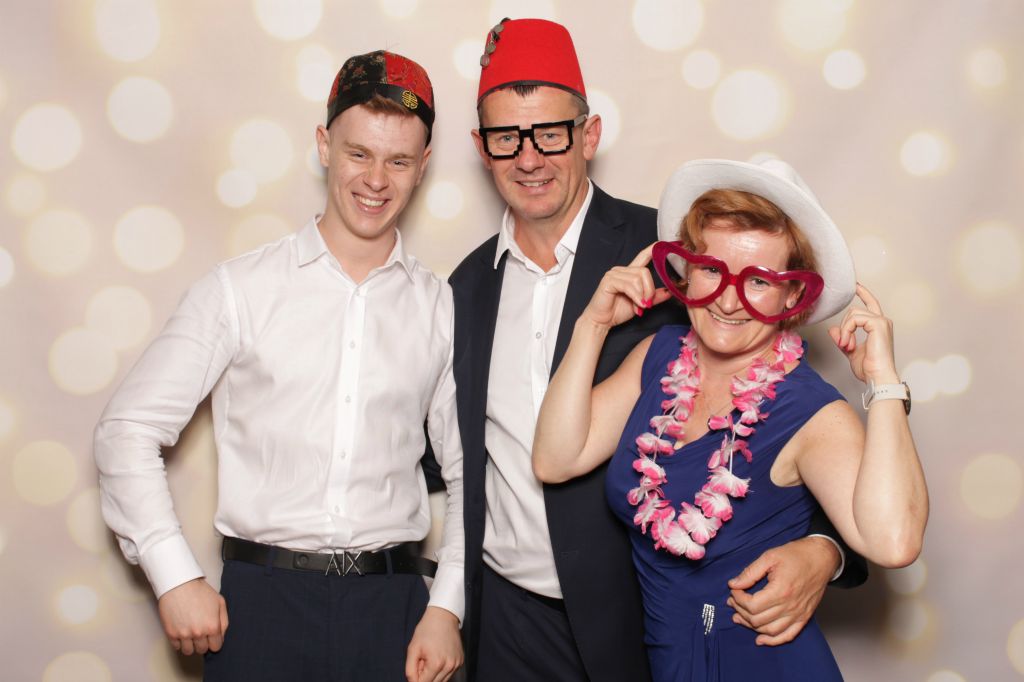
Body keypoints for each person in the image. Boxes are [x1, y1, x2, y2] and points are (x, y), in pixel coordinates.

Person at [448, 18, 867, 682]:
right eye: (506, 138)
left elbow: (785, 411)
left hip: (639, 625)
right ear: (482, 147)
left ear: (589, 135)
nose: (529, 158)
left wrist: (826, 550)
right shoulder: (466, 287)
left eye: (550, 133)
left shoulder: (686, 258)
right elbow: (453, 459)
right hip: (506, 621)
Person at [94, 50, 464, 682]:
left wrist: (448, 607)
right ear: (324, 146)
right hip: (260, 608)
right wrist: (173, 574)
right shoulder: (239, 289)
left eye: (399, 160)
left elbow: (466, 472)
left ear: (423, 165)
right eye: (358, 153)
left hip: (395, 612)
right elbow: (126, 430)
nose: (376, 180)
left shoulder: (439, 306)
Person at [532, 157, 928, 679]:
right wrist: (593, 324)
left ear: (792, 295)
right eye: (713, 270)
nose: (728, 299)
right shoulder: (658, 355)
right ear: (687, 270)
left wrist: (883, 382)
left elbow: (894, 542)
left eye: (758, 281)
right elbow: (555, 458)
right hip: (667, 659)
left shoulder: (809, 410)